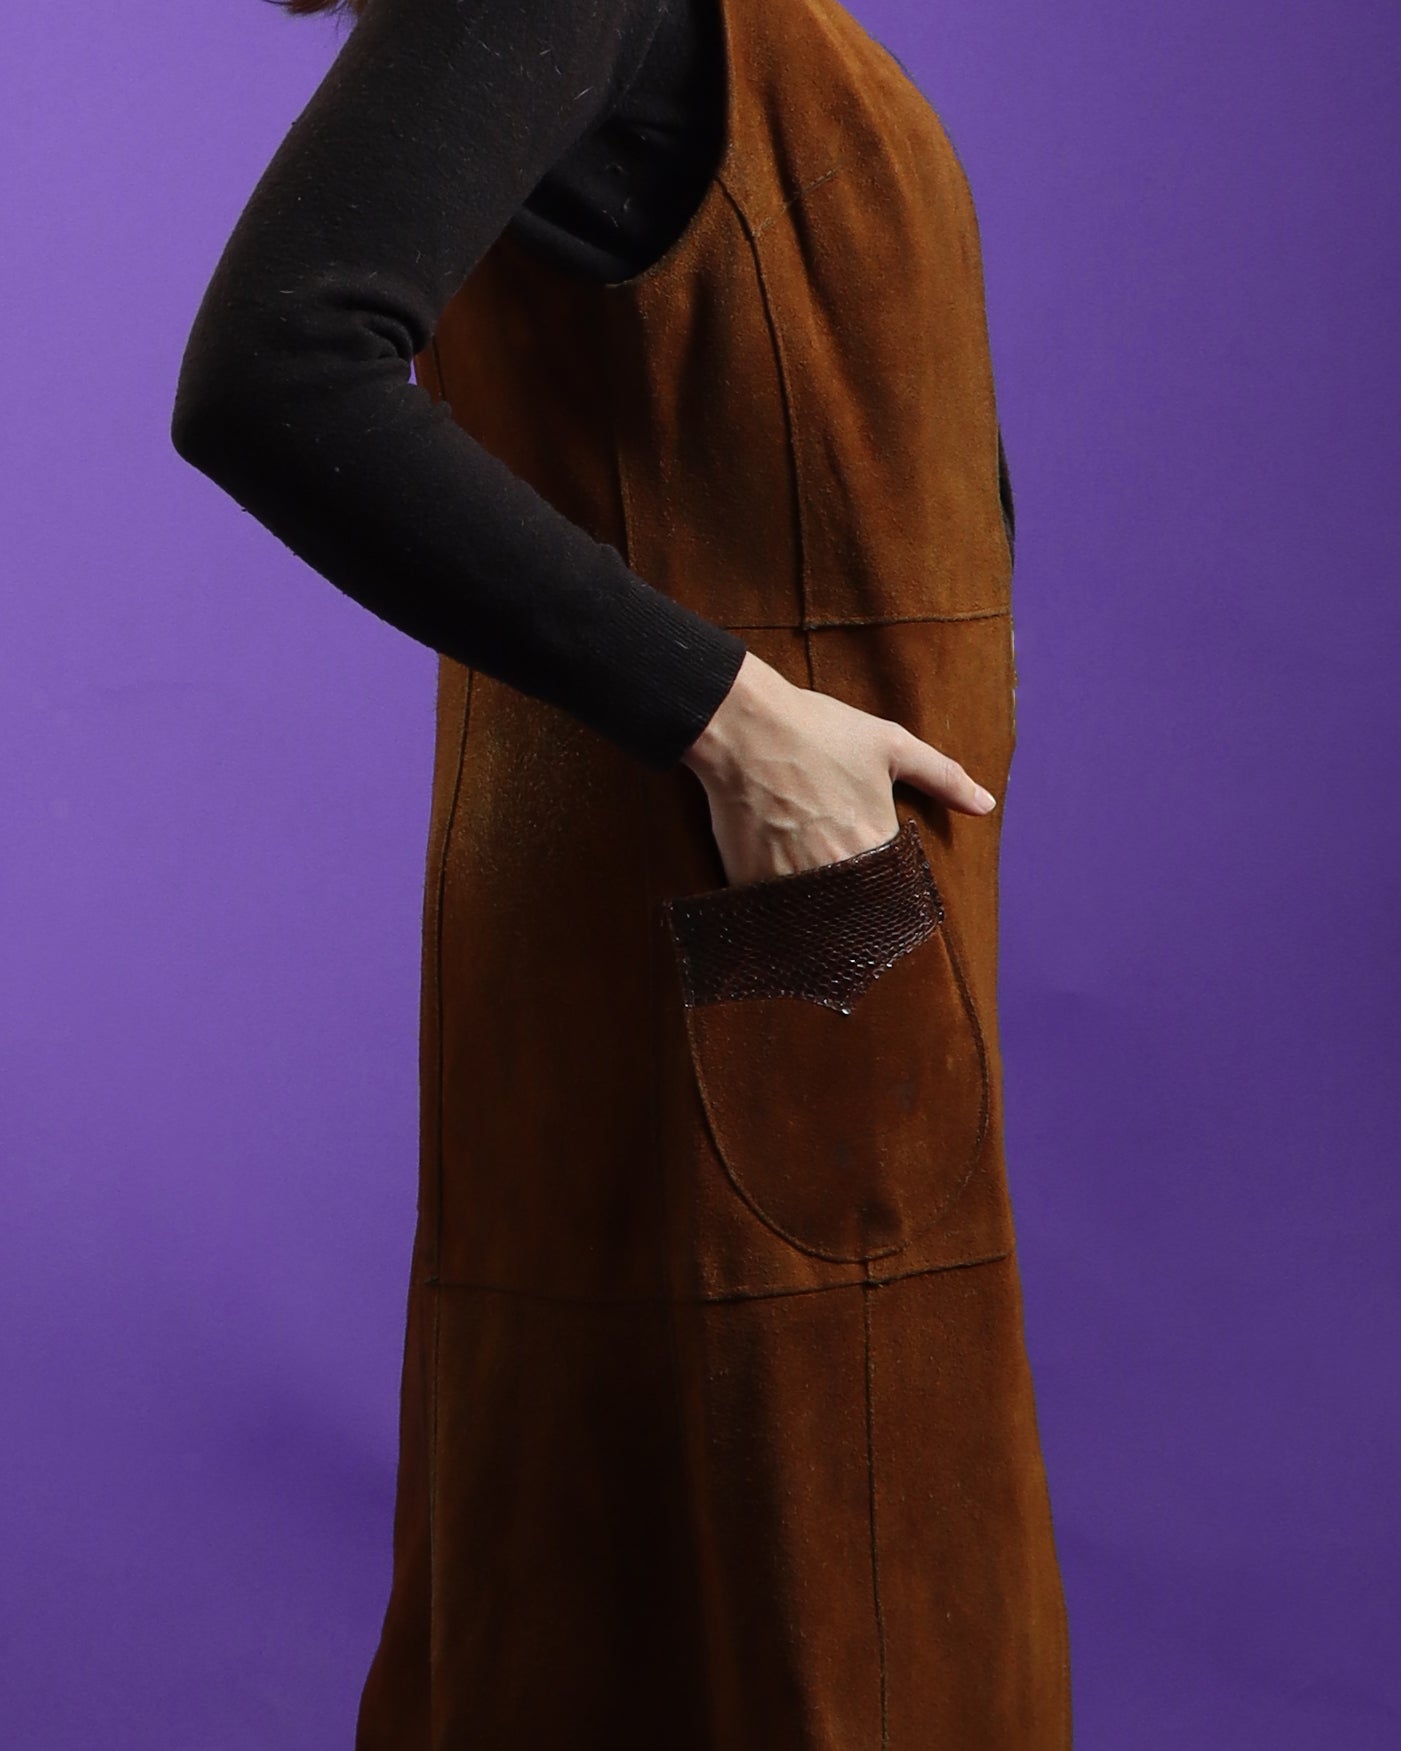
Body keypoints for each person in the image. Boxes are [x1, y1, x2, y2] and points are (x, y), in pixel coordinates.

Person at [172, 0, 1072, 1743]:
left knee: (774, 1596)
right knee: (768, 1622)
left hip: (824, 927)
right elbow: (273, 370)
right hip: (724, 908)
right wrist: (737, 720)